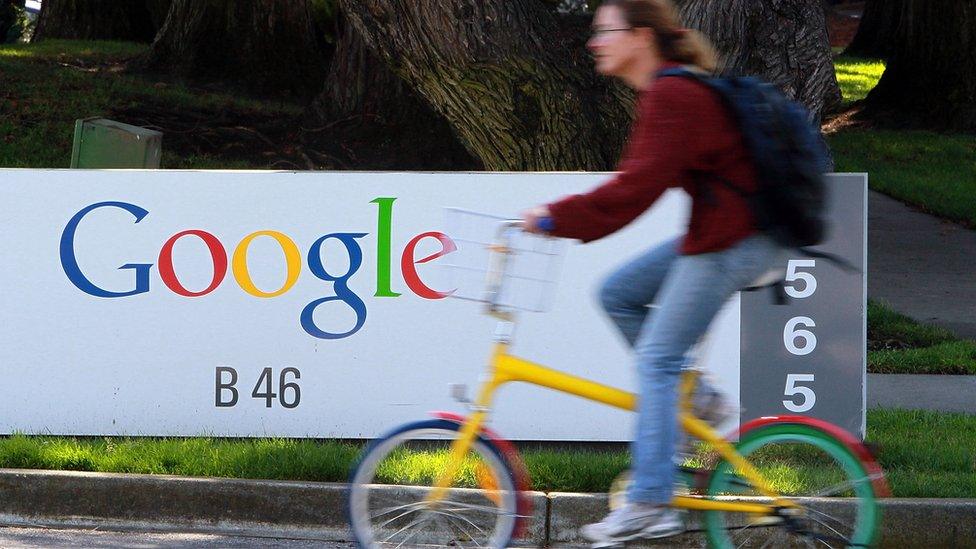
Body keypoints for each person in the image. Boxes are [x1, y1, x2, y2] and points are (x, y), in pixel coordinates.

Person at [521, 0, 784, 544]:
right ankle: (698, 400)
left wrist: (554, 217)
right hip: (723, 230)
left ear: (641, 36)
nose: (595, 42)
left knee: (659, 358)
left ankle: (649, 502)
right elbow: (640, 184)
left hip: (737, 240)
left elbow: (634, 189)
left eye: (604, 32)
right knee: (618, 293)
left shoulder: (673, 94)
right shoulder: (668, 90)